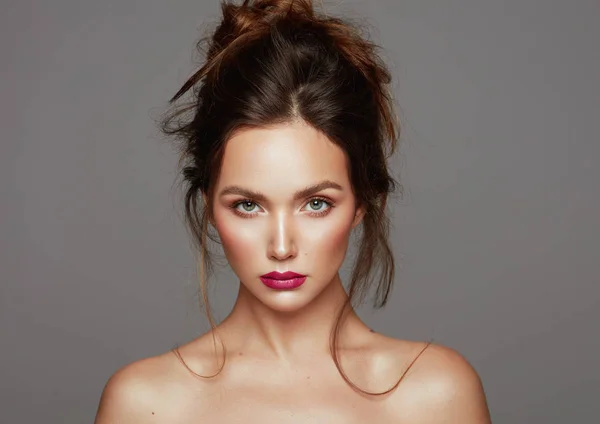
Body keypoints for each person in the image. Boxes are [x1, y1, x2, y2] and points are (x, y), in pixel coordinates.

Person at [94, 0, 491, 422]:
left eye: (316, 204)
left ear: (362, 200)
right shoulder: (145, 403)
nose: (281, 247)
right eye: (248, 205)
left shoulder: (435, 393)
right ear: (209, 204)